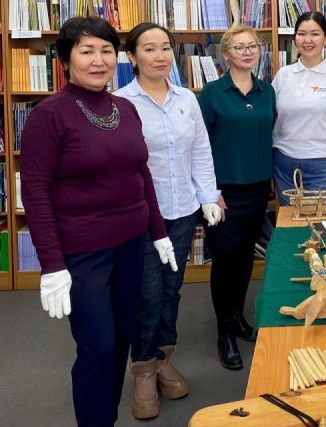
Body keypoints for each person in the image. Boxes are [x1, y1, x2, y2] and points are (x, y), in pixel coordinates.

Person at [20, 17, 177, 427]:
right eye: (86, 51)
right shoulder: (48, 115)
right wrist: (52, 265)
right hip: (82, 254)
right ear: (65, 59)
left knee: (121, 340)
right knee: (98, 347)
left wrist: (158, 233)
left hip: (132, 245)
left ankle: (105, 418)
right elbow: (34, 192)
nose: (98, 60)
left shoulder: (125, 108)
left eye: (106, 51)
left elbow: (141, 173)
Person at [114, 23, 222, 419]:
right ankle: (143, 370)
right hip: (141, 215)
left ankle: (163, 358)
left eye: (165, 48)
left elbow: (201, 151)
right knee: (148, 294)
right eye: (149, 48)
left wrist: (208, 196)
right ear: (132, 56)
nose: (159, 56)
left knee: (172, 290)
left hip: (182, 211)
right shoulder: (120, 103)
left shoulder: (187, 99)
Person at [199, 25, 275, 370]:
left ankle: (237, 317)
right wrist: (211, 192)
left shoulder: (267, 91)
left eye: (252, 46)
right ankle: (224, 332)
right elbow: (199, 146)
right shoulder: (212, 93)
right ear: (226, 54)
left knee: (245, 259)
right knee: (225, 260)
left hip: (256, 189)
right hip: (222, 192)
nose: (247, 52)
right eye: (239, 47)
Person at [272, 12, 326, 205]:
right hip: (284, 163)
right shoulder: (283, 75)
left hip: (323, 164)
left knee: (320, 221)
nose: (307, 40)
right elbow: (271, 119)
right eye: (301, 34)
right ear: (295, 37)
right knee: (290, 221)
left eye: (315, 34)